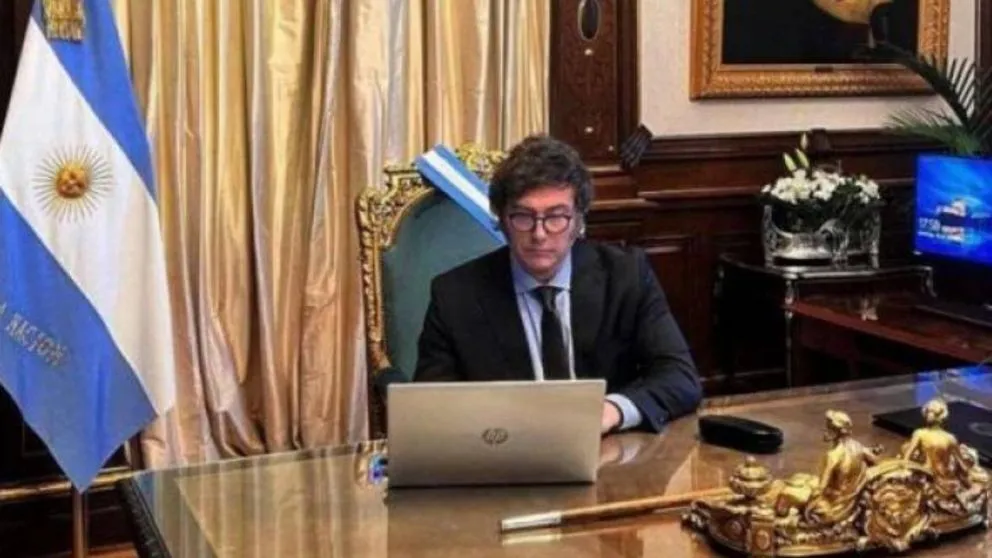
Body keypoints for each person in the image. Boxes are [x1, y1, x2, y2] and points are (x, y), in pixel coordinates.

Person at [413, 134, 702, 434]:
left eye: (556, 217)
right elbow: (432, 407)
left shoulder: (626, 276)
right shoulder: (455, 295)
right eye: (523, 216)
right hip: (504, 450)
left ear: (578, 221)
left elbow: (680, 378)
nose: (539, 234)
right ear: (501, 220)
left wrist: (612, 410)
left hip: (609, 450)